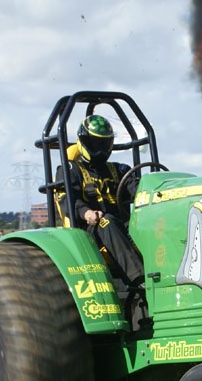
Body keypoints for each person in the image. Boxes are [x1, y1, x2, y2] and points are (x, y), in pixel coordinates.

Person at [59, 114, 144, 286]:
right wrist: (86, 213)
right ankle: (140, 280)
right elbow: (67, 200)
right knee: (107, 221)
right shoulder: (70, 170)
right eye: (95, 144)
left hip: (120, 227)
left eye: (104, 144)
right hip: (89, 229)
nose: (100, 150)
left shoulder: (118, 169)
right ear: (83, 141)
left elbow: (137, 188)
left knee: (147, 223)